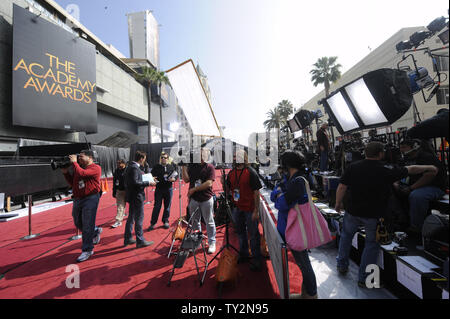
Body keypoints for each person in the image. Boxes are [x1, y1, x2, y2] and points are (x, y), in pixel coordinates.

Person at [334, 142, 438, 287]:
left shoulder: (353, 167)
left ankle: (341, 264)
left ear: (365, 152)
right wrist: (429, 167)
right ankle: (365, 279)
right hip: (374, 215)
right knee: (371, 245)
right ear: (381, 154)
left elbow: (341, 186)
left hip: (352, 211)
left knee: (346, 236)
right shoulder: (386, 170)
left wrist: (338, 203)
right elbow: (411, 169)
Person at [270, 150, 318, 299]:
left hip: (297, 228)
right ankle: (306, 292)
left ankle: (311, 294)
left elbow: (281, 203)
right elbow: (274, 195)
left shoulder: (298, 181)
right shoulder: (290, 178)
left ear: (287, 164)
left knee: (304, 263)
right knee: (302, 263)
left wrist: (279, 195)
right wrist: (279, 195)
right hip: (290, 227)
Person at [223, 149, 263, 271]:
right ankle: (244, 254)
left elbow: (256, 192)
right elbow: (228, 190)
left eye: (238, 155)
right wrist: (223, 183)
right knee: (240, 233)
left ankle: (257, 260)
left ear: (244, 157)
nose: (235, 158)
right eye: (234, 156)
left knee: (254, 235)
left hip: (250, 209)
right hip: (237, 208)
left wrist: (256, 210)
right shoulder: (231, 173)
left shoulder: (251, 172)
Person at [397, 139, 447, 233]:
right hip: (410, 186)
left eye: (404, 147)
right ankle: (401, 220)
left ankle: (417, 227)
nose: (401, 150)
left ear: (415, 147)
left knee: (417, 196)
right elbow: (398, 172)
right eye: (400, 147)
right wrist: (396, 184)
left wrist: (411, 188)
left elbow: (429, 176)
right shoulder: (405, 159)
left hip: (433, 187)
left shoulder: (427, 158)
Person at [62, 150, 102, 263]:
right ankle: (95, 231)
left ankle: (87, 249)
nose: (78, 158)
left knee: (87, 223)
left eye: (81, 156)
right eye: (78, 157)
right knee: (78, 222)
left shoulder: (95, 168)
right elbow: (73, 182)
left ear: (90, 158)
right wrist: (65, 172)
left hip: (91, 198)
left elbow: (82, 174)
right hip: (78, 199)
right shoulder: (78, 168)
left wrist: (74, 163)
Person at [182, 148, 217, 254]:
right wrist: (183, 166)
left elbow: (209, 183)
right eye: (201, 153)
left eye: (205, 153)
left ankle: (212, 242)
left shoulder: (210, 167)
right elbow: (186, 179)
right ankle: (197, 242)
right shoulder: (193, 166)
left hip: (206, 198)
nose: (202, 155)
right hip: (194, 199)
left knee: (209, 221)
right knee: (195, 222)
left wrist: (194, 189)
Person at [124, 151, 156, 248]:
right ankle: (140, 240)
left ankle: (128, 238)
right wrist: (148, 183)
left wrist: (148, 179)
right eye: (144, 159)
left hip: (133, 196)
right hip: (137, 196)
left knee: (131, 218)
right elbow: (135, 182)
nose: (144, 161)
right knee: (139, 219)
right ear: (141, 158)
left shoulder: (131, 166)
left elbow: (135, 180)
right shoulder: (134, 167)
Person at [148, 152, 178, 230]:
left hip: (168, 189)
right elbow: (151, 176)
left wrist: (174, 179)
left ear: (168, 159)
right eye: (162, 157)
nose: (163, 159)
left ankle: (165, 221)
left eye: (165, 158)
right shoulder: (156, 167)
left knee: (167, 207)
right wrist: (153, 179)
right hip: (159, 189)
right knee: (157, 206)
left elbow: (175, 175)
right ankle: (153, 223)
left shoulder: (171, 166)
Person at [111, 159, 127, 228]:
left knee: (133, 205)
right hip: (119, 191)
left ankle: (134, 215)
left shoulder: (128, 170)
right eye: (117, 164)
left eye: (119, 163)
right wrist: (114, 191)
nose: (118, 165)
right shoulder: (116, 171)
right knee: (120, 206)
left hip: (128, 191)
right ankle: (118, 221)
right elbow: (114, 181)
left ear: (124, 164)